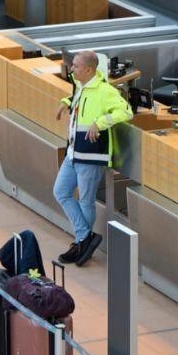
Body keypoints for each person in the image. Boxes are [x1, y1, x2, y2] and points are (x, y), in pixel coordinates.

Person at [52, 50, 133, 266]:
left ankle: (81, 243)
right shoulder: (82, 86)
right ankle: (84, 238)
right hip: (73, 152)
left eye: (76, 66)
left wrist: (100, 122)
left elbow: (126, 111)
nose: (72, 69)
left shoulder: (105, 91)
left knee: (86, 200)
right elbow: (81, 102)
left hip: (90, 154)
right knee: (60, 191)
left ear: (89, 69)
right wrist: (67, 102)